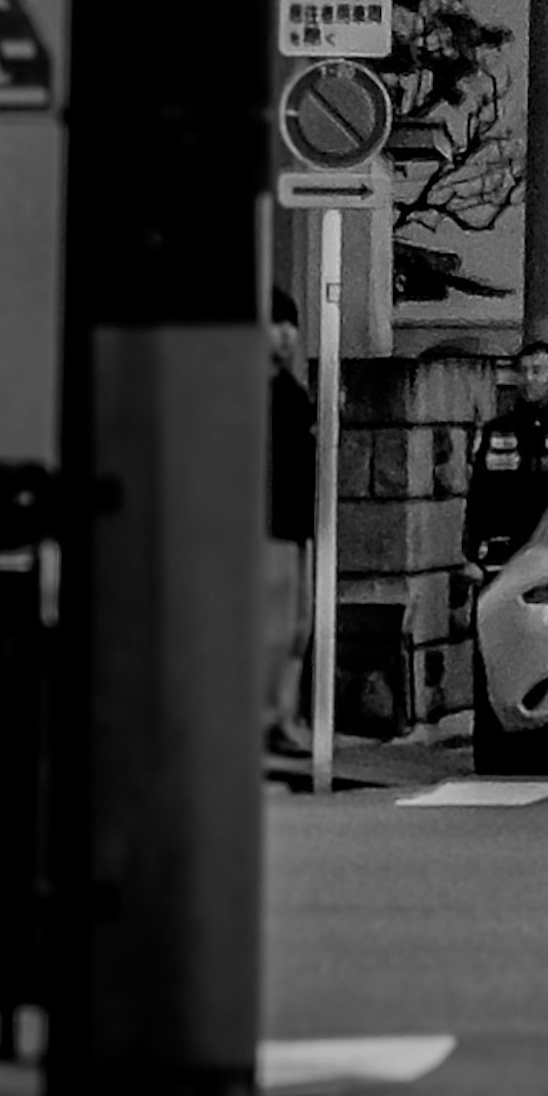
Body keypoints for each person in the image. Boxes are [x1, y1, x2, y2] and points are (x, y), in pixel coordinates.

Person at [463, 332, 548, 582]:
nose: (528, 380)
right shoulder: (494, 430)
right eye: (522, 372)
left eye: (537, 371)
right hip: (500, 552)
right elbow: (478, 494)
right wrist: (471, 554)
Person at [264, 290, 319, 764]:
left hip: (296, 525)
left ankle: (282, 716)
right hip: (270, 527)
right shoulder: (254, 393)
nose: (284, 334)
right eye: (275, 324)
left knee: (297, 628)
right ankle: (270, 718)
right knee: (275, 628)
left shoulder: (291, 391)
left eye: (289, 325)